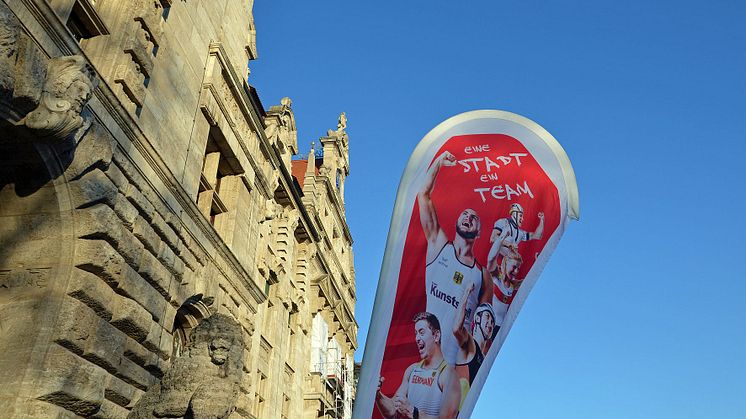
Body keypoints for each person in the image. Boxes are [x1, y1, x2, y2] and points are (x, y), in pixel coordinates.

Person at [419, 150, 493, 364]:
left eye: (474, 217)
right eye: (465, 214)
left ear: (479, 232)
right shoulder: (438, 245)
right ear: (457, 222)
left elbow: (484, 327)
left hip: (455, 364)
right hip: (428, 357)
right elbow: (423, 195)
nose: (468, 218)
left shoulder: (482, 275)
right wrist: (438, 163)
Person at [376, 312, 461, 419]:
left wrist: (412, 412)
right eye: (416, 333)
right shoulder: (412, 370)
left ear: (436, 335)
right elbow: (392, 411)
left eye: (421, 332)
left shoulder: (449, 374)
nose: (416, 338)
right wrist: (377, 394)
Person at [452, 283, 496, 405]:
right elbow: (456, 329)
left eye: (493, 322)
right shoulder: (470, 342)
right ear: (477, 318)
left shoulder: (484, 358)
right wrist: (466, 293)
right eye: (487, 317)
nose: (490, 324)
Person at [486, 238, 524, 328]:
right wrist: (507, 244)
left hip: (499, 329)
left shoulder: (512, 285)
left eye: (518, 269)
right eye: (514, 267)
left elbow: (529, 280)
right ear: (506, 263)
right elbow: (491, 257)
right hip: (486, 323)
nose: (516, 271)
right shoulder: (495, 275)